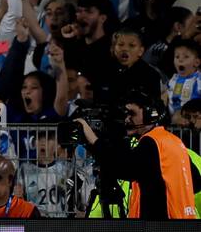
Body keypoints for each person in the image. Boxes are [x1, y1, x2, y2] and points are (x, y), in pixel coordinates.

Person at [77, 91, 200, 219]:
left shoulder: (151, 142)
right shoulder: (174, 141)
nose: (127, 119)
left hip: (160, 228)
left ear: (149, 115)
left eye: (132, 113)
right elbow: (196, 183)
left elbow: (123, 168)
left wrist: (92, 139)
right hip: (183, 226)